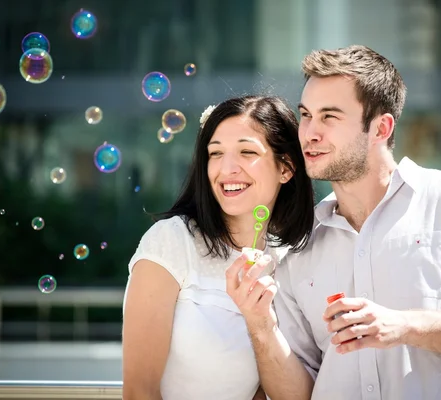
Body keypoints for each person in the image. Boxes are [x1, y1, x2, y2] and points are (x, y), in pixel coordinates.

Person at [226, 45, 441, 400]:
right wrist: (260, 325)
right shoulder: (299, 247)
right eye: (306, 115)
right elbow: (297, 394)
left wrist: (405, 326)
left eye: (329, 117)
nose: (309, 133)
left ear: (381, 128)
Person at [122, 95, 315, 400]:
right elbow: (139, 392)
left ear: (287, 167)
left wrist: (261, 323)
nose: (227, 169)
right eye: (215, 153)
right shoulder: (171, 242)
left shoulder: (289, 259)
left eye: (247, 151)